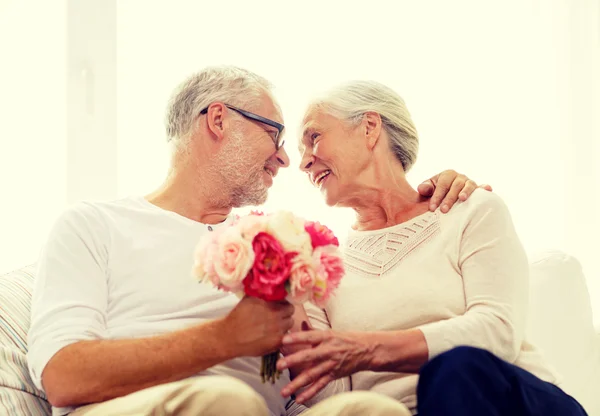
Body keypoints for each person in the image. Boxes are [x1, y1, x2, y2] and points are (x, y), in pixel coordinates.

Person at [27, 66, 483, 416]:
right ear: (219, 119)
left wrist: (446, 193)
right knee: (224, 402)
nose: (286, 158)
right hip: (151, 406)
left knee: (370, 411)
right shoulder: (93, 225)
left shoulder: (279, 242)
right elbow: (63, 375)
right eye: (274, 133)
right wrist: (226, 337)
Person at [276, 80, 589, 416]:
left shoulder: (470, 210)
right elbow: (332, 400)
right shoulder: (321, 265)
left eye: (314, 138)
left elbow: (498, 330)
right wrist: (285, 290)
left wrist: (367, 349)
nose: (304, 162)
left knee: (454, 368)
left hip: (511, 402)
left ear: (369, 128)